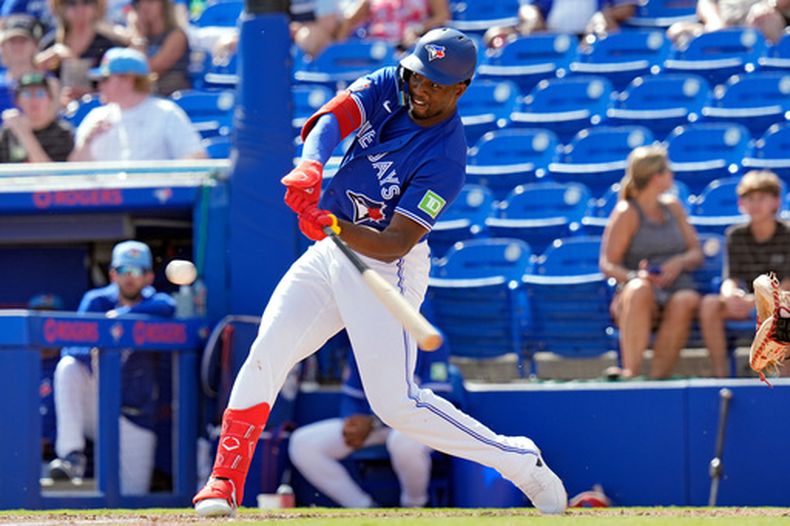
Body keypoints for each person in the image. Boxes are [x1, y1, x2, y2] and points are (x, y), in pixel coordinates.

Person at [192, 27, 567, 518]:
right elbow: (333, 118)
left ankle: (519, 461)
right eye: (418, 77)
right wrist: (311, 166)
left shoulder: (447, 157)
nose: (421, 89)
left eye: (435, 84)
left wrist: (333, 223)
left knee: (396, 404)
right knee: (267, 351)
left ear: (460, 89)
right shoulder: (393, 82)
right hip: (333, 251)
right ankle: (224, 481)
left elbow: (395, 242)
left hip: (388, 266)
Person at [47, 240, 176, 494]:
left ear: (149, 277)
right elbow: (73, 348)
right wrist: (103, 340)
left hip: (134, 414)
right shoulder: (97, 301)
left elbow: (169, 307)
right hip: (96, 403)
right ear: (112, 274)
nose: (130, 277)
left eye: (137, 271)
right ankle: (72, 455)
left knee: (134, 492)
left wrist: (120, 319)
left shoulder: (158, 303)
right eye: (123, 270)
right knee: (68, 367)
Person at [288, 342, 454, 508]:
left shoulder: (429, 338)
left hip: (417, 424)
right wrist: (353, 419)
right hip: (376, 426)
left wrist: (374, 421)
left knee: (403, 442)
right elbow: (352, 396)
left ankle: (415, 506)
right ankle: (363, 507)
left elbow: (436, 399)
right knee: (303, 444)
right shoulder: (365, 338)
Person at [599, 145, 703, 379]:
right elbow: (608, 264)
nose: (672, 175)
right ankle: (631, 373)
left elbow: (696, 252)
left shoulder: (674, 207)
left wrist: (678, 262)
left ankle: (657, 380)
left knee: (686, 300)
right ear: (656, 177)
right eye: (668, 170)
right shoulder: (626, 212)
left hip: (677, 287)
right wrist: (636, 276)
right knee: (639, 289)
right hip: (640, 293)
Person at [699, 170, 790, 377]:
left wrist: (757, 301)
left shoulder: (788, 234)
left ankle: (785, 381)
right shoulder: (735, 235)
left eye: (761, 198)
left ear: (776, 201)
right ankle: (721, 377)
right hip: (749, 304)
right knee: (709, 304)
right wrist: (729, 294)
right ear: (741, 203)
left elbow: (788, 283)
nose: (755, 204)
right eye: (750, 198)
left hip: (780, 302)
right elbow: (731, 278)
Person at [68, 47, 206, 161]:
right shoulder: (96, 117)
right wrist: (87, 142)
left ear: (127, 80)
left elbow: (196, 157)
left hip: (152, 187)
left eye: (105, 79)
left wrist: (164, 178)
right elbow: (75, 173)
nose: (100, 85)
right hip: (106, 188)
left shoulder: (166, 113)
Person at [35, 0, 130, 104]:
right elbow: (33, 83)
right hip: (58, 111)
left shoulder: (110, 44)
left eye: (87, 2)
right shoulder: (50, 44)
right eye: (71, 3)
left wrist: (91, 95)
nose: (80, 9)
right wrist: (45, 61)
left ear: (97, 7)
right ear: (60, 8)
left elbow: (124, 87)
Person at [484, 0, 638, 49]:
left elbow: (627, 7)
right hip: (550, 39)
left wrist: (605, 15)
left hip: (592, 38)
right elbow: (528, 7)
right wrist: (533, 19)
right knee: (495, 35)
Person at [0, 72, 74, 163]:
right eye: (26, 94)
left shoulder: (62, 132)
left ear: (49, 99)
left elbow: (50, 170)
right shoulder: (9, 131)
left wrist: (23, 132)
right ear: (17, 101)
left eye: (40, 94)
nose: (33, 100)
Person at [128, 0, 191, 95]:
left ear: (164, 6)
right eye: (140, 2)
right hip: (145, 92)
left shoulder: (177, 36)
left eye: (150, 2)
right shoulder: (140, 34)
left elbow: (149, 69)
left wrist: (139, 38)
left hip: (170, 93)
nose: (144, 7)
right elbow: (128, 69)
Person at [336, 0, 450, 50]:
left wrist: (419, 28)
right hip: (376, 47)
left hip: (409, 46)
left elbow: (442, 16)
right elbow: (348, 21)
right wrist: (339, 48)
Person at [668, 0, 790, 46]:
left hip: (760, 30)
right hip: (721, 29)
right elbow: (705, 3)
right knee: (677, 31)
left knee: (764, 17)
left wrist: (771, 5)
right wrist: (715, 22)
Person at [0, 15, 47, 112]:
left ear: (35, 46)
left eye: (23, 40)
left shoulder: (49, 84)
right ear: (2, 46)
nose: (17, 46)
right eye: (12, 41)